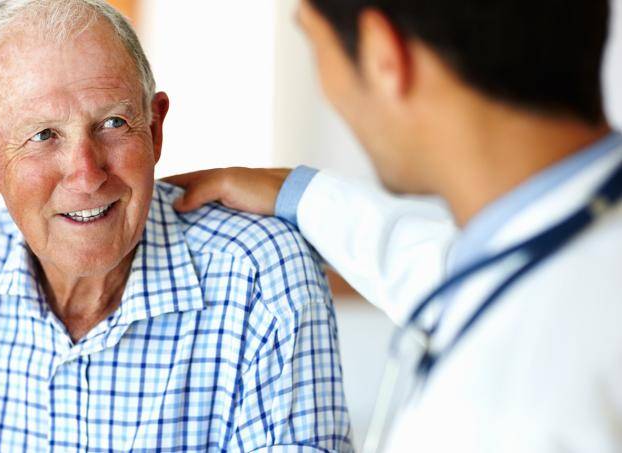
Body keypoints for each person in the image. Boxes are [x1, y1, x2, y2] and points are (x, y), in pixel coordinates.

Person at [166, 0, 622, 451]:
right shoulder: (568, 252)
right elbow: (456, 269)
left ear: (384, 55)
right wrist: (302, 194)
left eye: (312, 42)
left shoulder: (514, 400)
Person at [0, 1, 353, 451]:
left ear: (155, 130)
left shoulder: (261, 274)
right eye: (43, 135)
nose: (87, 173)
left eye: (113, 123)